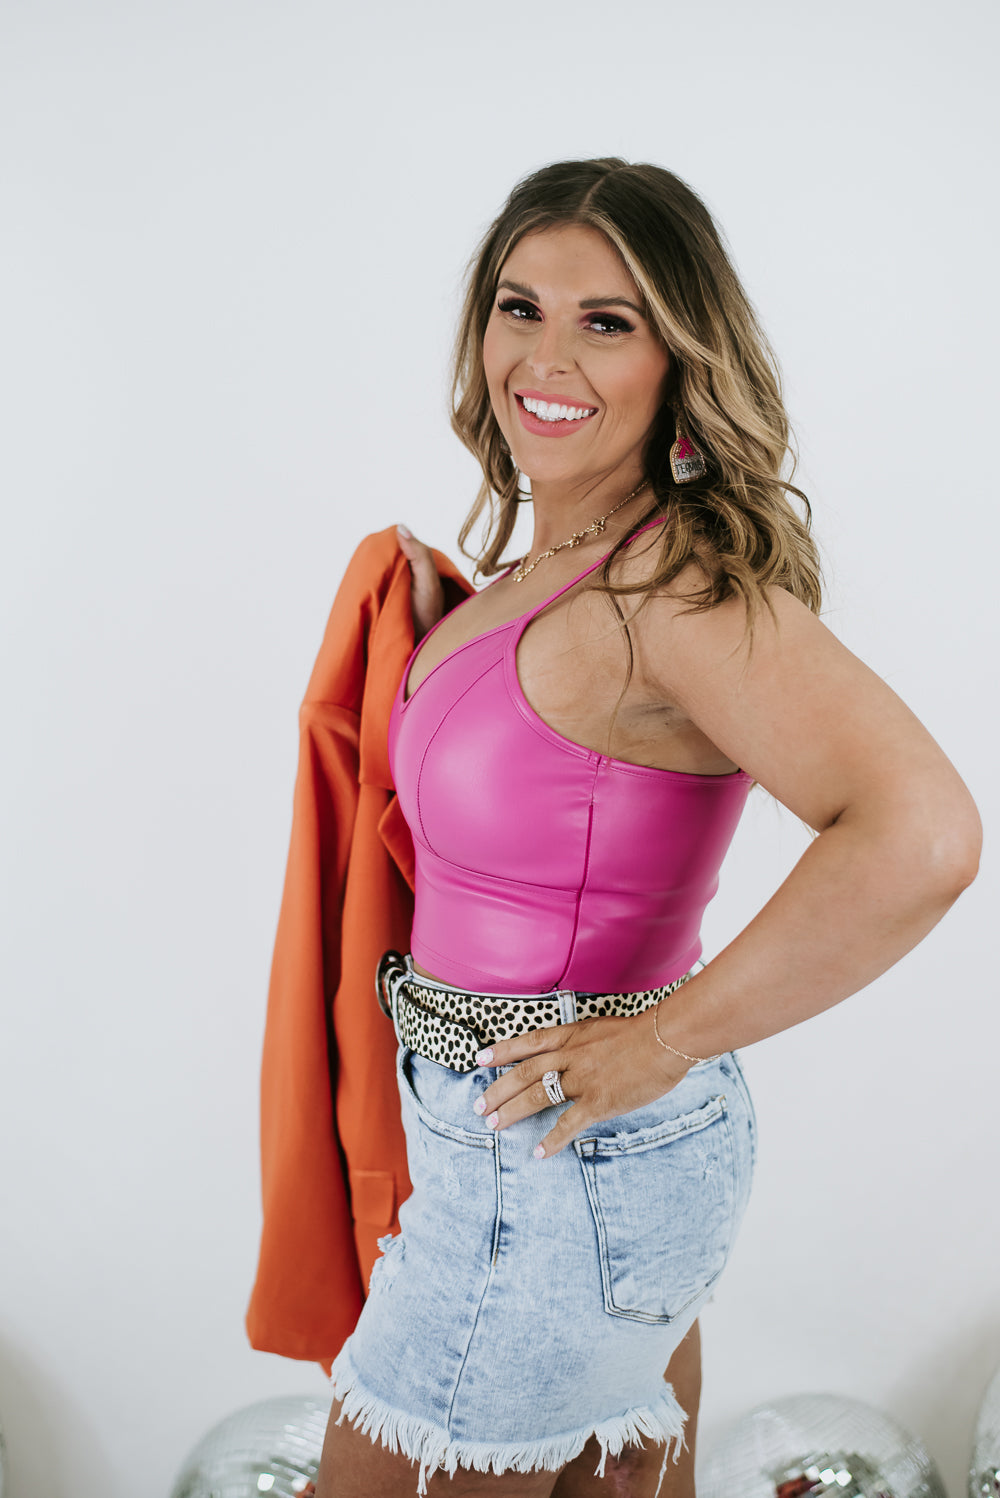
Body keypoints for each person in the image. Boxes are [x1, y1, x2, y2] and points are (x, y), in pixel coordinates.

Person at [311, 159, 980, 1498]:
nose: (545, 356)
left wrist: (659, 1039)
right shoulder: (545, 574)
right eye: (520, 306)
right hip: (559, 1155)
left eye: (606, 321)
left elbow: (923, 831)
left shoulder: (670, 591)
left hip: (553, 1163)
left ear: (681, 354)